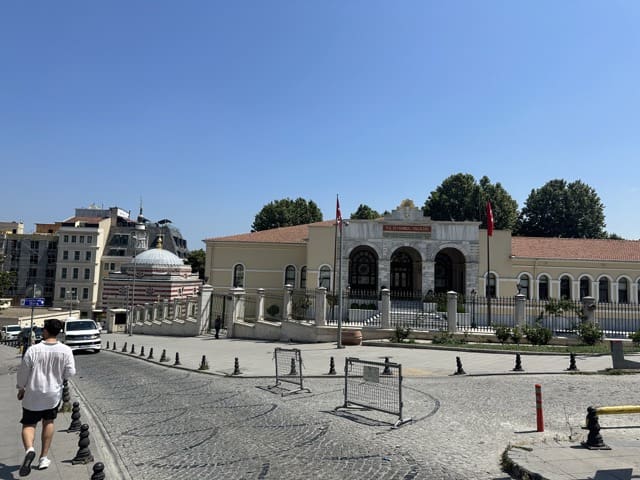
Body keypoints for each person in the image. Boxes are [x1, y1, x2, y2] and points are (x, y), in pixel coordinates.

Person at [16, 319, 76, 476]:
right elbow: (70, 372)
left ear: (45, 331)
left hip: (33, 393)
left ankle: (30, 449)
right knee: (48, 422)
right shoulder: (66, 350)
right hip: (52, 394)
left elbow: (23, 372)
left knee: (29, 424)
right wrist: (59, 376)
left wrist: (21, 388)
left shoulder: (33, 350)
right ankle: (43, 458)